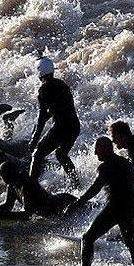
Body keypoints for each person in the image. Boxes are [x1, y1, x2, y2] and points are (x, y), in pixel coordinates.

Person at [66, 137, 134, 266]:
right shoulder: (124, 163)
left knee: (87, 238)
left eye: (98, 149)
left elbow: (94, 189)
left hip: (115, 208)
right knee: (131, 243)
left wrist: (77, 204)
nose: (95, 153)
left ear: (107, 148)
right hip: (128, 207)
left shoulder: (106, 167)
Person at [28, 57, 81, 188]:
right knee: (61, 154)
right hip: (74, 126)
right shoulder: (62, 84)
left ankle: (29, 189)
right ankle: (76, 184)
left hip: (61, 127)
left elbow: (41, 118)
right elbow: (59, 107)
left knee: (37, 155)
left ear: (39, 72)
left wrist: (34, 140)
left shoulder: (43, 89)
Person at [0, 161, 75, 219]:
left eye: (1, 174)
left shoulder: (26, 185)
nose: (0, 177)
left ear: (7, 175)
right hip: (56, 205)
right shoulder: (11, 185)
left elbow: (26, 215)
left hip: (65, 203)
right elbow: (7, 206)